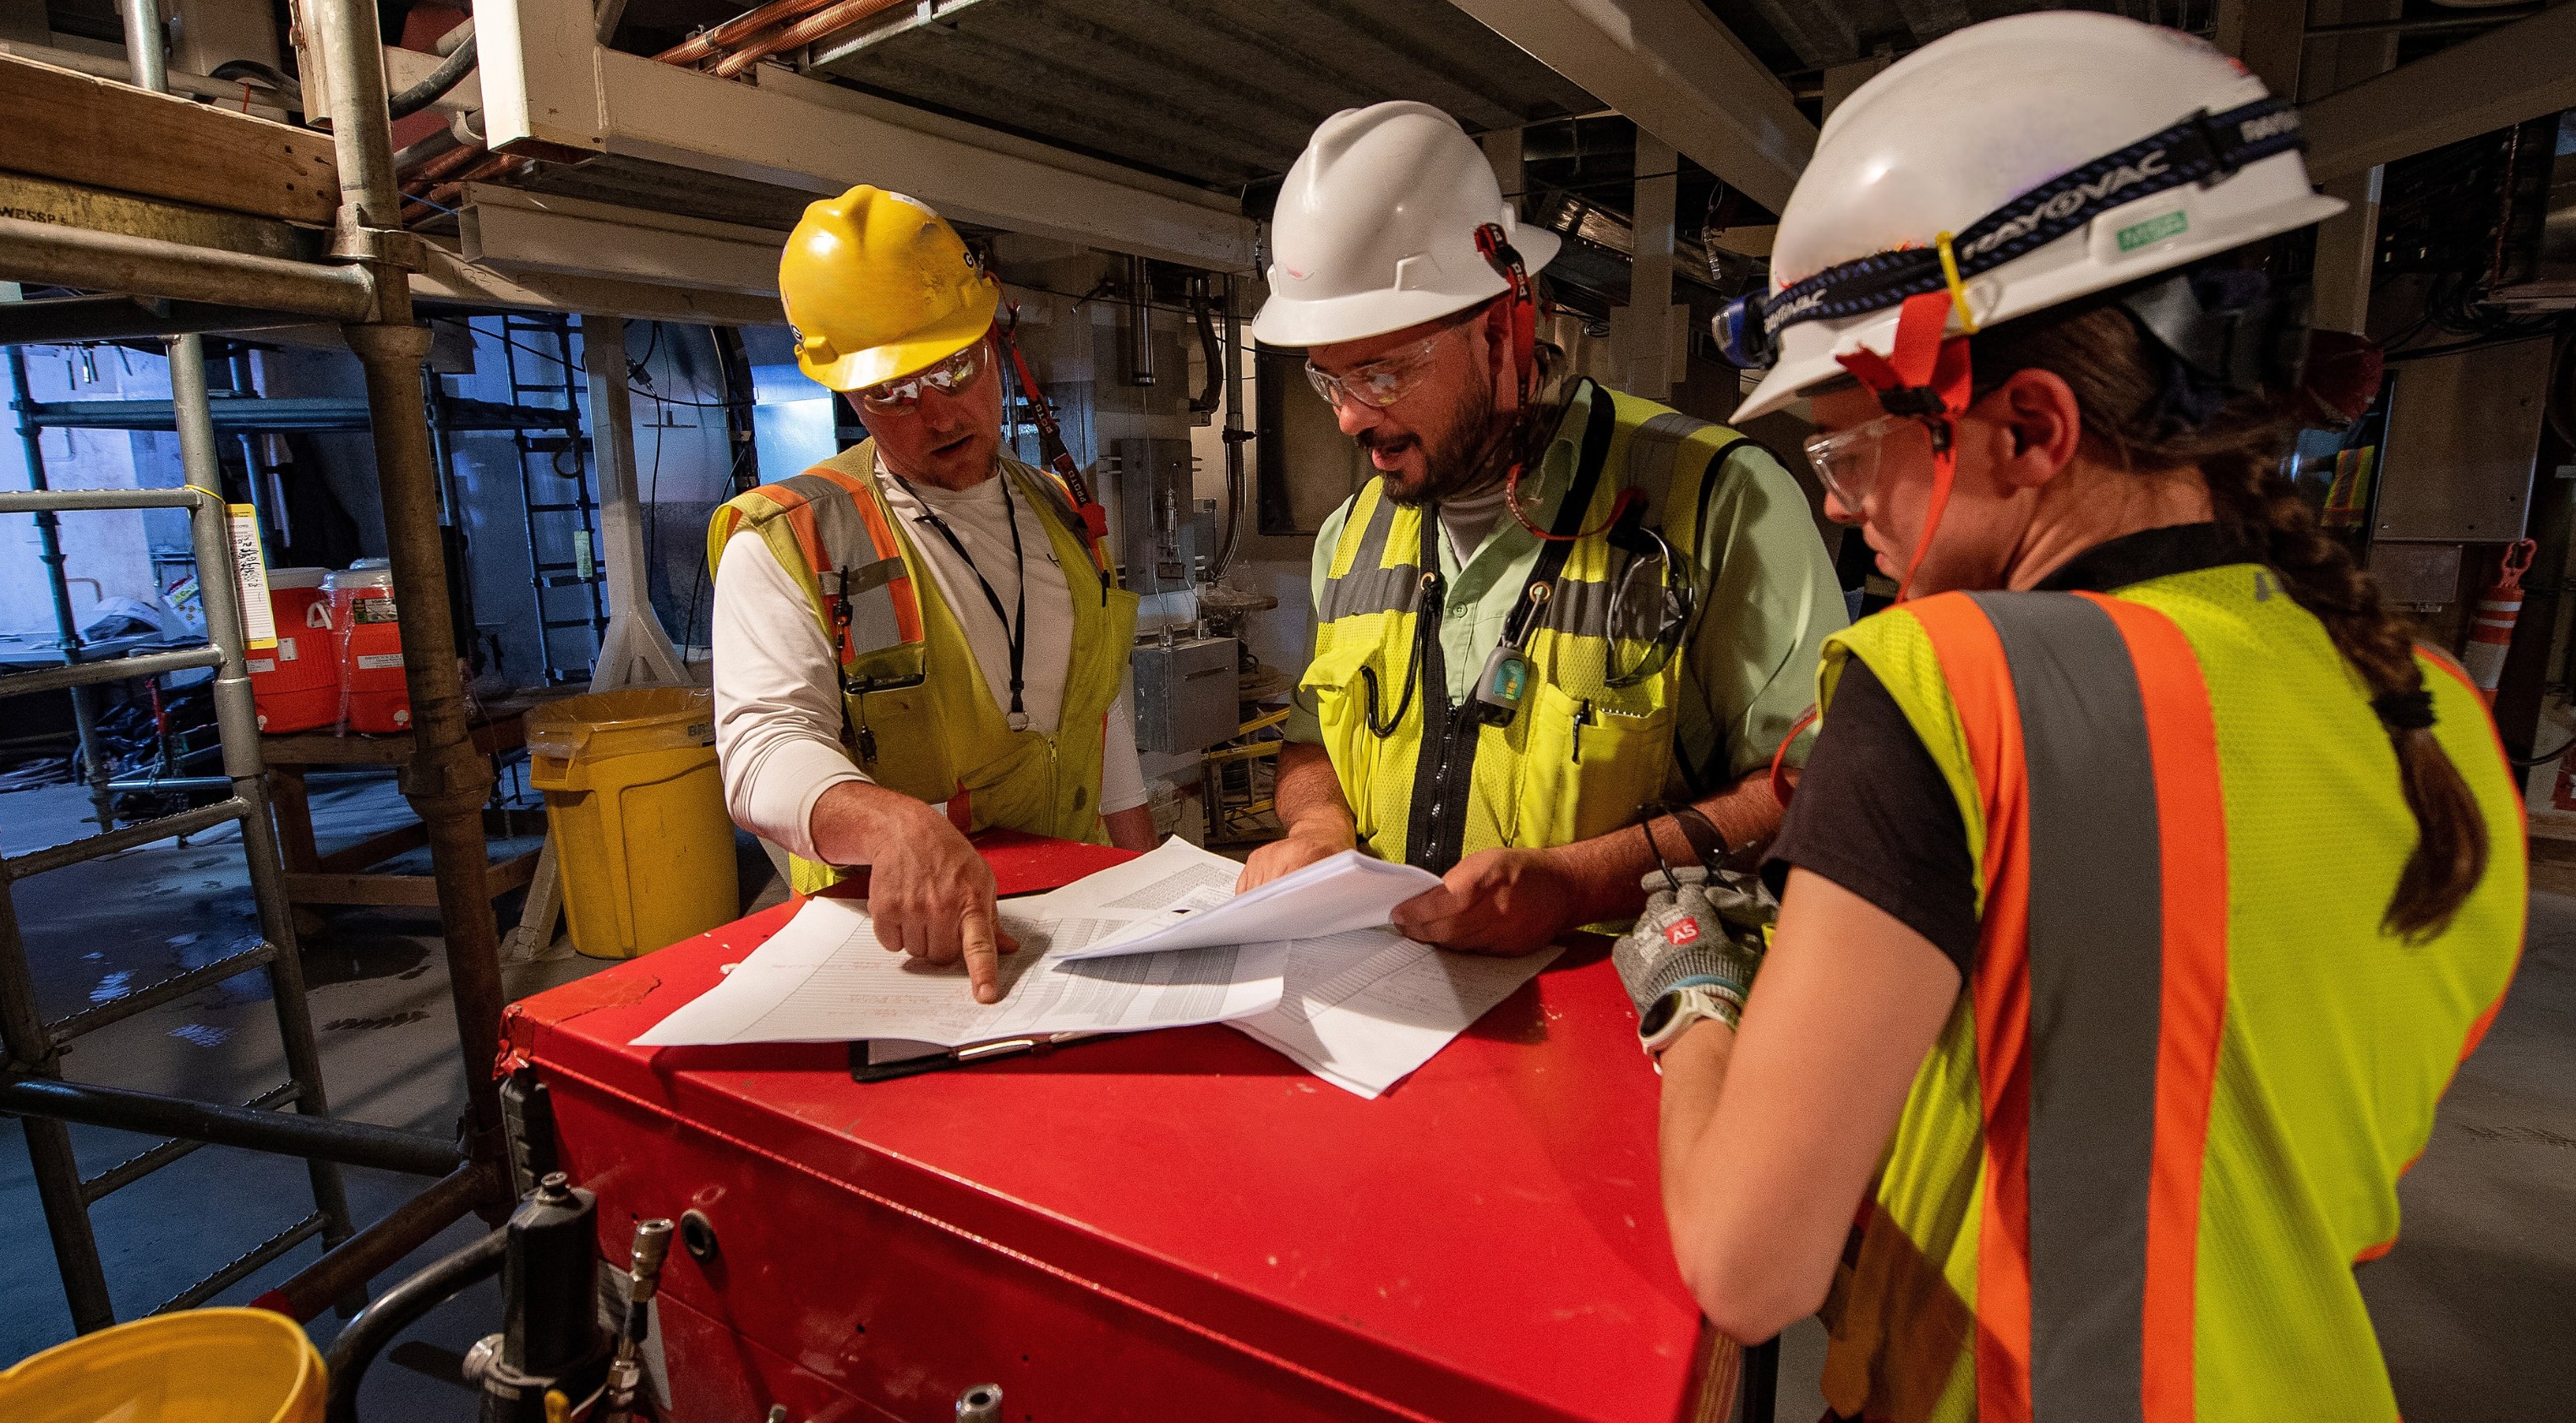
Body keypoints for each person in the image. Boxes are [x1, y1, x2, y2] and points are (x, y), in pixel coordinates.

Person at [1614, 12, 2530, 1420]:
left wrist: (1693, 995)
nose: (1846, 515)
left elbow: (1750, 1264)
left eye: (1852, 456)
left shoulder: (1951, 680)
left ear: (2030, 429)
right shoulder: (2440, 712)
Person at [1242, 101, 1846, 954]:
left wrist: (1577, 886)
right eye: (1328, 380)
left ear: (1500, 329)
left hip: (1641, 1024)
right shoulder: (1350, 535)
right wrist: (1315, 830)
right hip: (1396, 1014)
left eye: (1379, 372)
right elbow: (1311, 747)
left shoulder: (1717, 498)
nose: (1347, 419)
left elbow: (1806, 787)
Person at [709, 185, 1150, 999]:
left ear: (995, 340)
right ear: (846, 392)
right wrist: (893, 823)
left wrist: (1141, 876)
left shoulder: (1060, 513)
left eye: (954, 367)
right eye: (891, 393)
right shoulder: (791, 541)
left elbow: (1098, 709)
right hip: (904, 950)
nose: (938, 412)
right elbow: (760, 750)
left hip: (1076, 921)